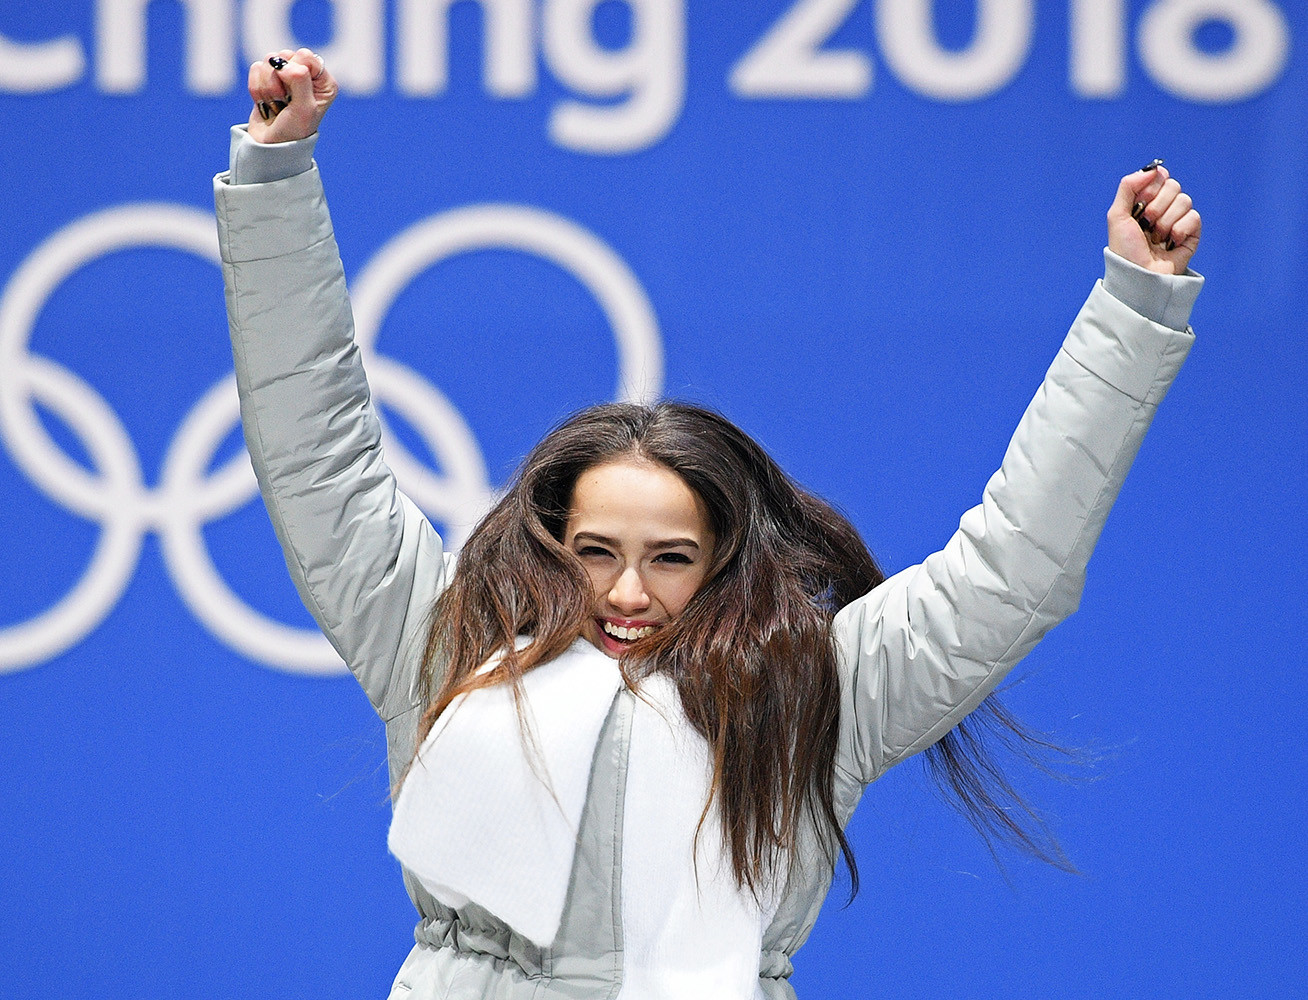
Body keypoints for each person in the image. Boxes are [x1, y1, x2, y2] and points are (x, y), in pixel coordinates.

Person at [214, 49, 1203, 1000]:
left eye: (671, 558)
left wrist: (1135, 305)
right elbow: (315, 447)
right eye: (595, 551)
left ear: (726, 558)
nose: (628, 591)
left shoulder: (822, 684)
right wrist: (274, 177)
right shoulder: (444, 640)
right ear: (550, 538)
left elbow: (1017, 563)